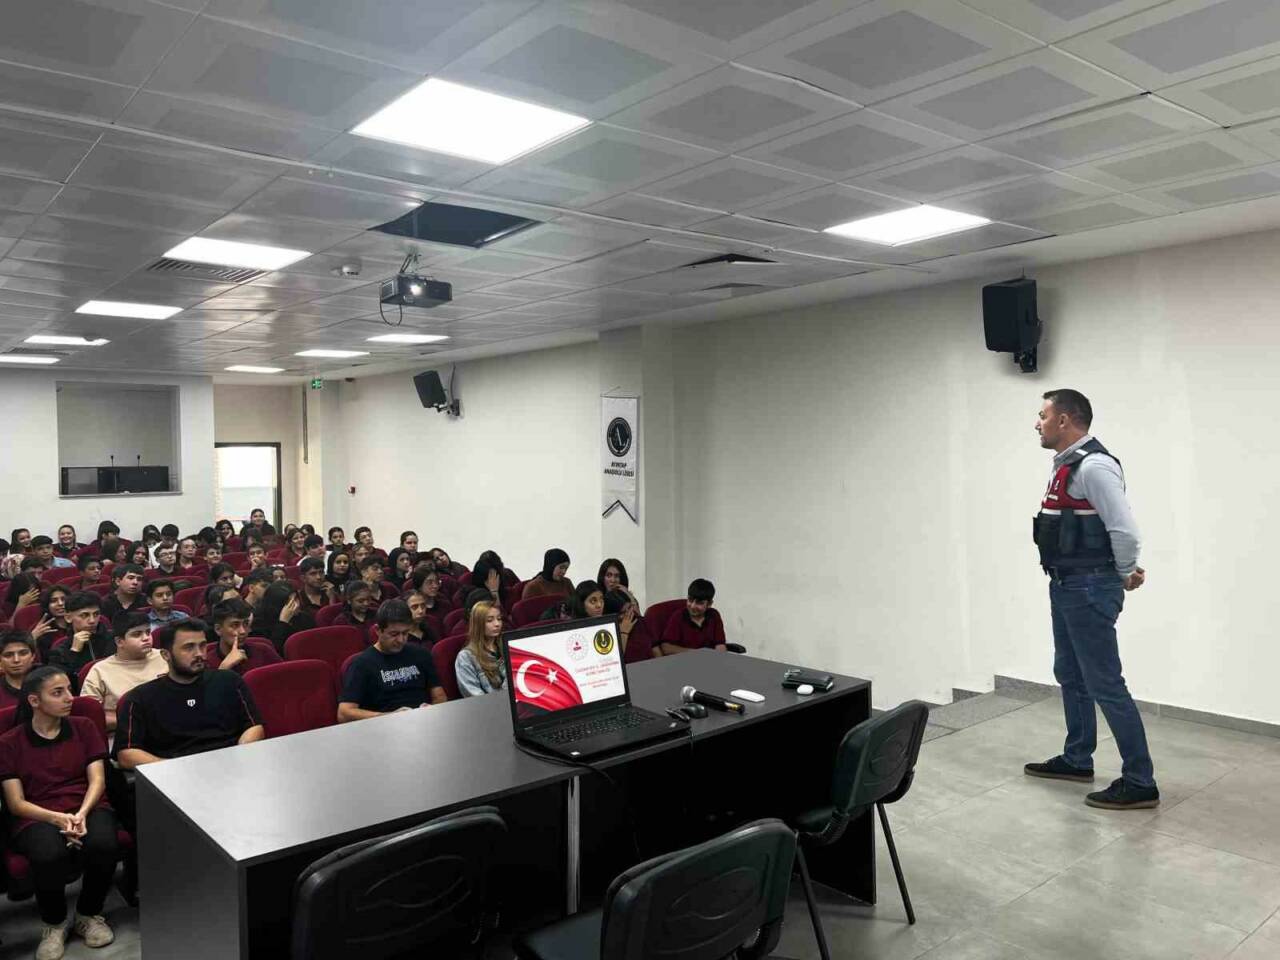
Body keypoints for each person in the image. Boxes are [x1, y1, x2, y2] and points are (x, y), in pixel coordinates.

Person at [1025, 388, 1159, 810]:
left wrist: (1123, 572)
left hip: (1087, 586)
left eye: (1043, 414)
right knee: (1070, 672)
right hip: (1066, 584)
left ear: (1065, 420)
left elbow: (1124, 529)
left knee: (1105, 683)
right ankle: (1076, 757)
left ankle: (1140, 781)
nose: (1037, 422)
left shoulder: (1094, 466)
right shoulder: (1065, 466)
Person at [0, 665, 121, 957]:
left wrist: (79, 814)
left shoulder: (84, 727)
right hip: (36, 813)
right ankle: (54, 923)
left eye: (69, 689)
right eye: (58, 692)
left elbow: (98, 780)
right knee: (48, 853)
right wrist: (58, 818)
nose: (69, 697)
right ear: (34, 701)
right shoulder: (9, 743)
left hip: (86, 805)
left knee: (104, 843)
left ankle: (88, 914)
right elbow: (16, 803)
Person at [113, 620, 264, 769]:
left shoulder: (229, 681)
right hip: (174, 773)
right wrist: (171, 769)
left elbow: (254, 727)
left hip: (233, 765)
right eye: (189, 647)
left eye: (202, 645)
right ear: (166, 655)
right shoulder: (140, 698)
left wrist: (240, 756)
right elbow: (126, 754)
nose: (199, 653)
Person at [337, 599, 447, 722]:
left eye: (405, 633)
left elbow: (439, 695)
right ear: (378, 630)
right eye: (394, 634)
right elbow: (344, 713)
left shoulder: (421, 654)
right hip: (385, 726)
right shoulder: (362, 664)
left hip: (424, 721)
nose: (401, 640)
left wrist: (433, 710)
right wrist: (390, 717)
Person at [79, 613, 167, 732]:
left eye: (148, 632)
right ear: (120, 641)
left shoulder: (165, 657)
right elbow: (90, 716)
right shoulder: (100, 670)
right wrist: (137, 720)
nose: (146, 638)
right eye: (137, 634)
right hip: (122, 733)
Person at [49, 592, 116, 681]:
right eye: (84, 615)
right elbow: (60, 682)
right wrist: (74, 652)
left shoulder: (115, 639)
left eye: (96, 614)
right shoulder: (59, 650)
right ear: (68, 618)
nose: (92, 620)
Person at [206, 599, 282, 674]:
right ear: (218, 629)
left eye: (246, 624)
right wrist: (224, 668)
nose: (243, 631)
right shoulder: (207, 663)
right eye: (235, 625)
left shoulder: (263, 651)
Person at [659, 579, 727, 655]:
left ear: (709, 604)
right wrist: (697, 653)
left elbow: (720, 644)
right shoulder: (678, 616)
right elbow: (666, 647)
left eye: (699, 603)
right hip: (684, 661)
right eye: (690, 600)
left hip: (709, 661)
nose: (692, 606)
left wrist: (720, 659)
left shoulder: (714, 615)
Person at [455, 601, 506, 697]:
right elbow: (474, 696)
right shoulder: (466, 657)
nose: (497, 624)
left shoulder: (506, 646)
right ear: (478, 624)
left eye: (499, 619)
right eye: (490, 620)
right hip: (491, 707)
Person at [251, 582, 313, 655]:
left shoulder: (305, 617)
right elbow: (273, 652)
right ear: (276, 604)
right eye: (288, 602)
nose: (296, 605)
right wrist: (283, 622)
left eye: (296, 599)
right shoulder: (259, 623)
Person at [603, 590, 659, 663]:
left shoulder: (640, 621)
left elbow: (655, 649)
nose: (629, 613)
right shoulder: (607, 631)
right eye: (623, 612)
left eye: (629, 608)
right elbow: (614, 661)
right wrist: (624, 632)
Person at [0, 630, 37, 709]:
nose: (16, 660)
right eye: (8, 655)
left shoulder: (47, 683)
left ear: (33, 656)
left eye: (23, 653)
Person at [334, 581, 378, 645]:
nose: (366, 603)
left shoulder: (377, 614)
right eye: (360, 601)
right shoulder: (341, 621)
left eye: (368, 599)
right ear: (349, 600)